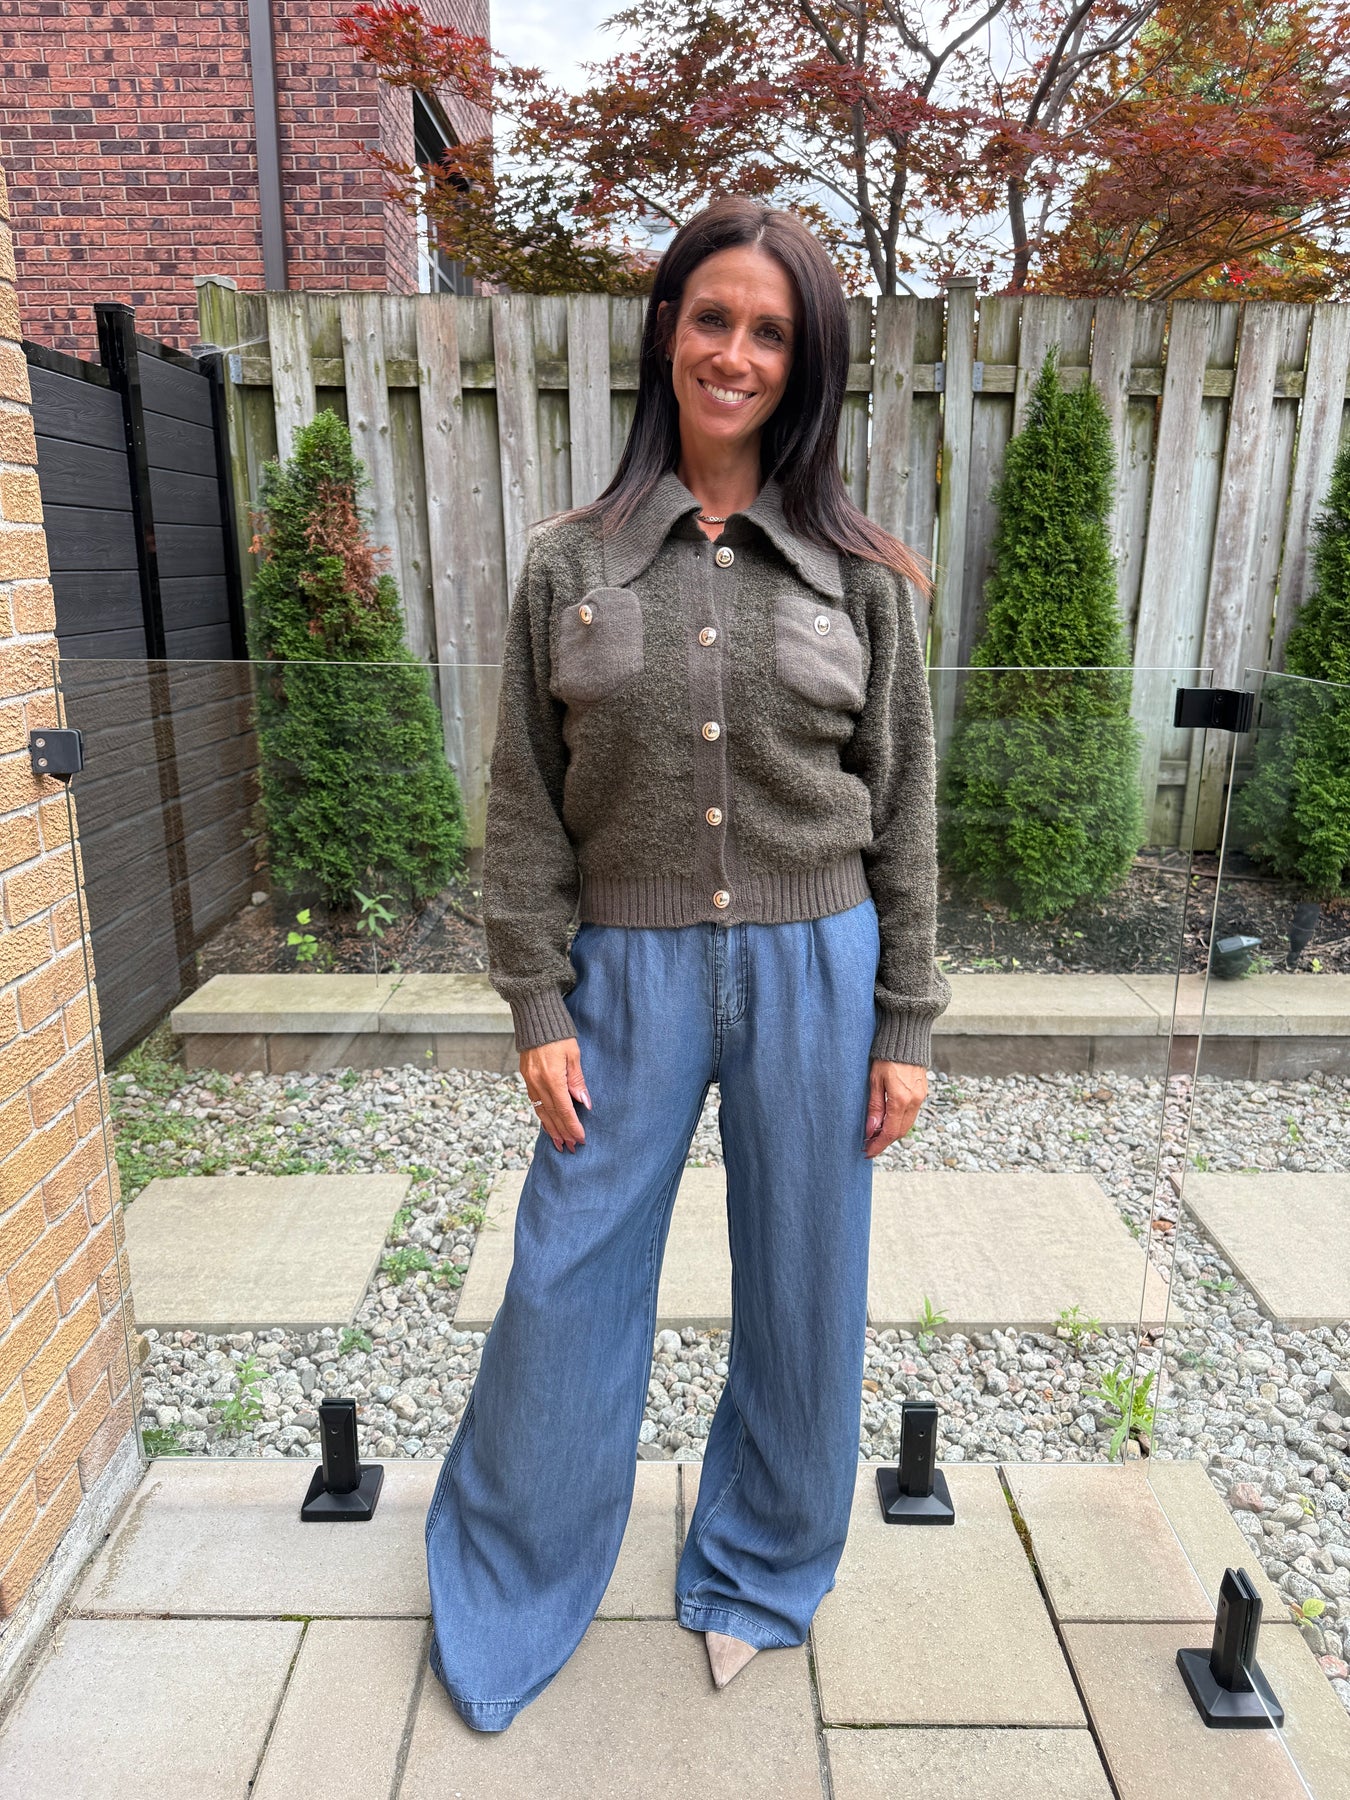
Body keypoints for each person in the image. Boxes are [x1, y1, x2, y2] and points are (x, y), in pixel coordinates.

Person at [423, 195, 951, 1732]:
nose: (735, 353)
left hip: (816, 972)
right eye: (711, 317)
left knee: (805, 1283)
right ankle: (515, 1576)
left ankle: (762, 1566)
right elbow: (524, 802)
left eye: (769, 331)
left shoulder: (861, 577)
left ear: (804, 363)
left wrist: (905, 1020)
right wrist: (534, 998)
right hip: (624, 980)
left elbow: (905, 811)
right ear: (667, 330)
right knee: (564, 1277)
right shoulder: (567, 564)